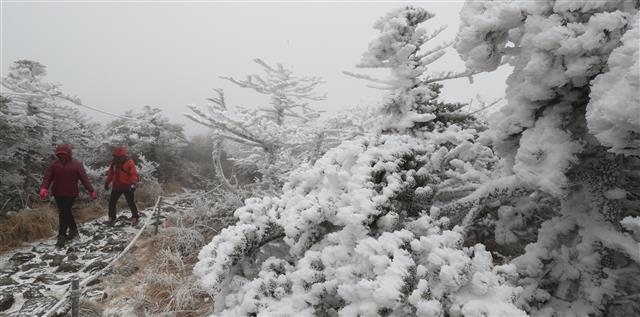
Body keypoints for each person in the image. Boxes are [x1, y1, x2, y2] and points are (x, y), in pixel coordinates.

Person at [40, 144, 97, 248]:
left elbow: (84, 179)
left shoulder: (77, 164)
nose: (62, 156)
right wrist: (44, 188)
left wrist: (91, 190)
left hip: (71, 193)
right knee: (66, 212)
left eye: (64, 154)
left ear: (69, 154)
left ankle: (61, 236)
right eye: (60, 154)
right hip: (58, 193)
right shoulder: (54, 165)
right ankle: (74, 230)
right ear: (57, 155)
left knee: (63, 212)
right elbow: (47, 178)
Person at [104, 146, 140, 226]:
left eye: (119, 157)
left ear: (123, 156)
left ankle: (135, 217)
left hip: (128, 186)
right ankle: (112, 218)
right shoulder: (113, 163)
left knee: (130, 202)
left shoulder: (129, 162)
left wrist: (133, 184)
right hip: (117, 186)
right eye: (116, 156)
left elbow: (133, 174)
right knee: (112, 202)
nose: (117, 158)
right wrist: (107, 182)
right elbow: (111, 174)